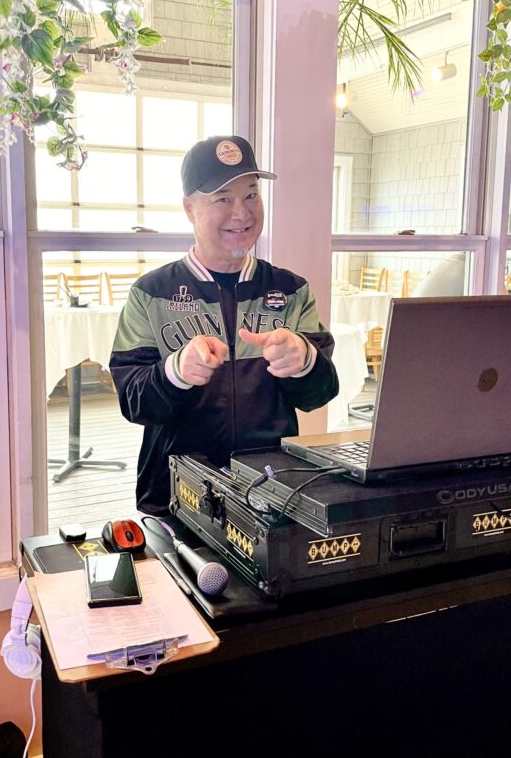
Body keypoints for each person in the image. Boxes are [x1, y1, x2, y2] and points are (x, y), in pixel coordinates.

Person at [109, 135, 339, 515]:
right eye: (222, 198)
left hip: (272, 491)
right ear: (189, 208)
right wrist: (176, 372)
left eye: (251, 195)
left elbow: (319, 393)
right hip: (176, 495)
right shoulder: (151, 294)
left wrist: (305, 360)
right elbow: (132, 401)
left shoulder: (290, 290)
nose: (242, 213)